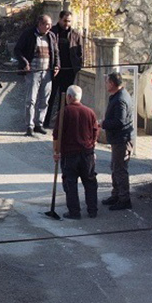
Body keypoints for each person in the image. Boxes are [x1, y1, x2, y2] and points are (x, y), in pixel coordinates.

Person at [53, 84, 100, 219]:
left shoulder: (64, 112)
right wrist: (92, 147)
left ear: (68, 97)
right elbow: (95, 131)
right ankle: (93, 210)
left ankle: (74, 212)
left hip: (70, 154)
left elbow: (56, 135)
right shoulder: (90, 112)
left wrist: (56, 152)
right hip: (87, 153)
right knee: (90, 181)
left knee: (70, 183)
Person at [14, 14, 59, 136]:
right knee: (31, 100)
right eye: (47, 24)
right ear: (40, 24)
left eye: (50, 24)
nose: (49, 27)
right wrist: (25, 62)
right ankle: (29, 126)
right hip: (32, 72)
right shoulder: (28, 34)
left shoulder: (51, 36)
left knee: (44, 100)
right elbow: (17, 50)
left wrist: (56, 65)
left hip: (47, 72)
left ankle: (39, 123)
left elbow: (56, 52)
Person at [100, 71, 135, 211]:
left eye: (107, 82)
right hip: (119, 139)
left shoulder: (120, 99)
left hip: (122, 139)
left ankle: (124, 199)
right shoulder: (118, 96)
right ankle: (116, 195)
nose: (106, 84)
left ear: (113, 84)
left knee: (120, 169)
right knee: (115, 168)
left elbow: (119, 122)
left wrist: (103, 124)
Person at [45, 9, 84, 127]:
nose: (67, 24)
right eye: (65, 21)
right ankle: (45, 121)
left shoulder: (75, 35)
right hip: (54, 70)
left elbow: (80, 53)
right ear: (60, 19)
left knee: (66, 98)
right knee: (50, 96)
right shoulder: (51, 33)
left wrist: (77, 67)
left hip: (69, 71)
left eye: (69, 21)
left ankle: (63, 122)